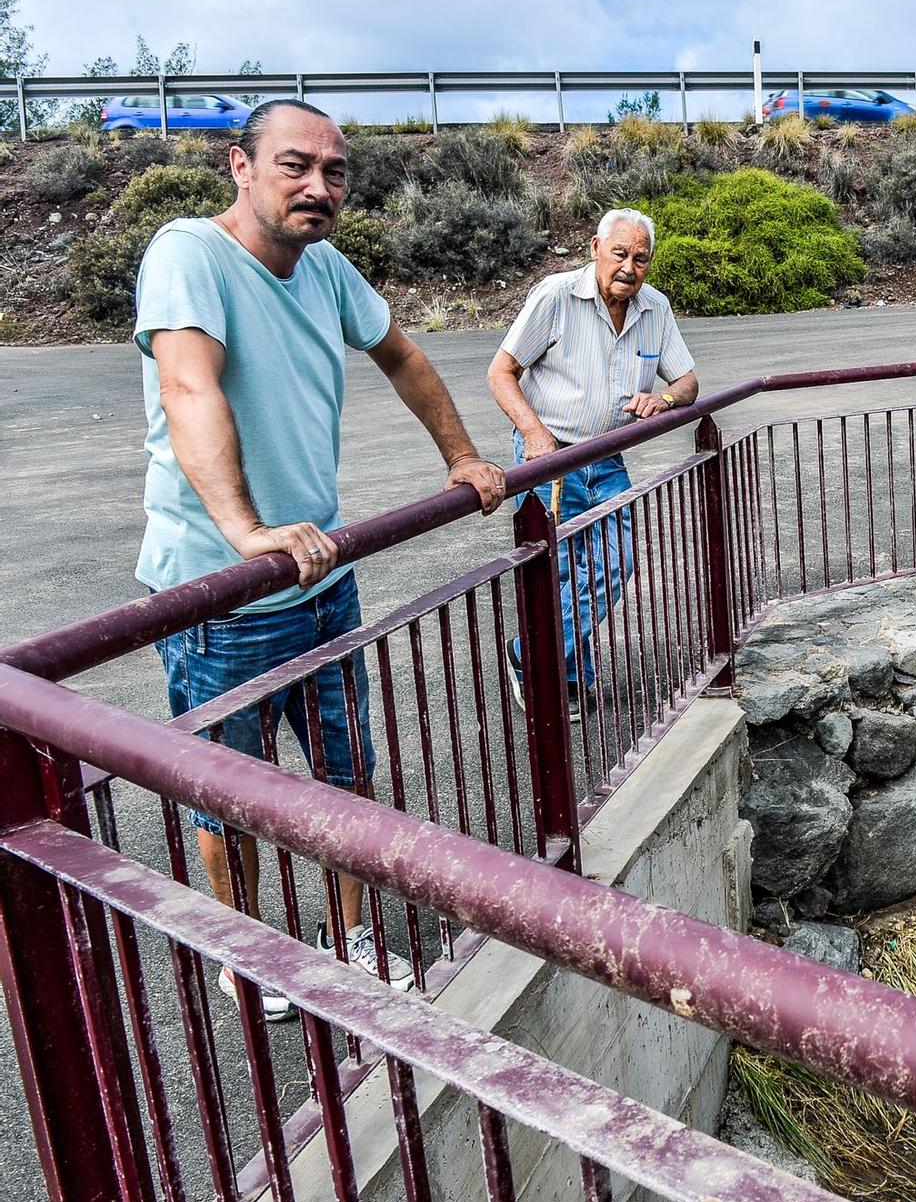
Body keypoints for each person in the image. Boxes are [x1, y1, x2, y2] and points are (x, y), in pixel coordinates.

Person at [136, 98, 507, 1020]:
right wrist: (244, 530)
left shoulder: (328, 268)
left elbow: (405, 356)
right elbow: (188, 383)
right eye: (295, 164)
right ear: (240, 165)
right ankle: (246, 950)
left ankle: (351, 937)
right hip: (219, 598)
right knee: (229, 797)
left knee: (346, 775)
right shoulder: (190, 254)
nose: (318, 185)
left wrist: (461, 456)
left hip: (321, 581)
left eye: (334, 171)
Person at [487, 208, 698, 716]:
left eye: (641, 258)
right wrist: (534, 433)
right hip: (551, 455)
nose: (629, 266)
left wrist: (665, 400)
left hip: (605, 458)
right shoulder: (557, 295)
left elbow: (688, 382)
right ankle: (569, 676)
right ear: (594, 248)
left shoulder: (655, 308)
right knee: (561, 571)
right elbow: (501, 372)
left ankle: (530, 655)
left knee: (613, 563)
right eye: (620, 253)